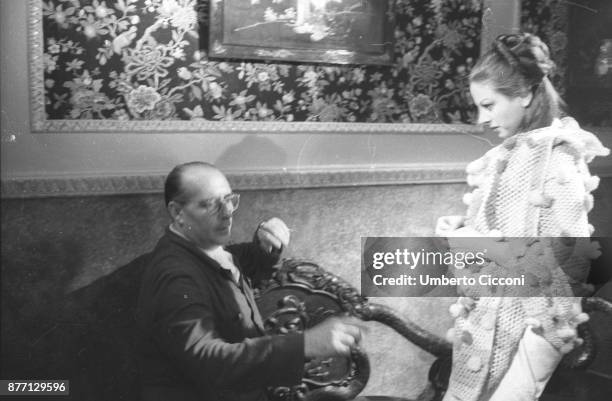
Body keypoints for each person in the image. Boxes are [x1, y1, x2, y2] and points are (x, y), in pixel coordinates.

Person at [436, 33, 609, 401]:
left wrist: (473, 241)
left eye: (488, 104)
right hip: (482, 334)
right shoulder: (504, 159)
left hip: (524, 337)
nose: (483, 119)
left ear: (526, 95)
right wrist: (464, 232)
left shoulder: (556, 160)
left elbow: (567, 269)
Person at [136, 161, 365, 401]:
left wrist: (265, 244)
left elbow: (233, 265)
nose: (227, 213)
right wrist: (305, 344)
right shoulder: (175, 276)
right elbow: (207, 361)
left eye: (228, 199)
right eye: (209, 204)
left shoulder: (201, 248)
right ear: (176, 212)